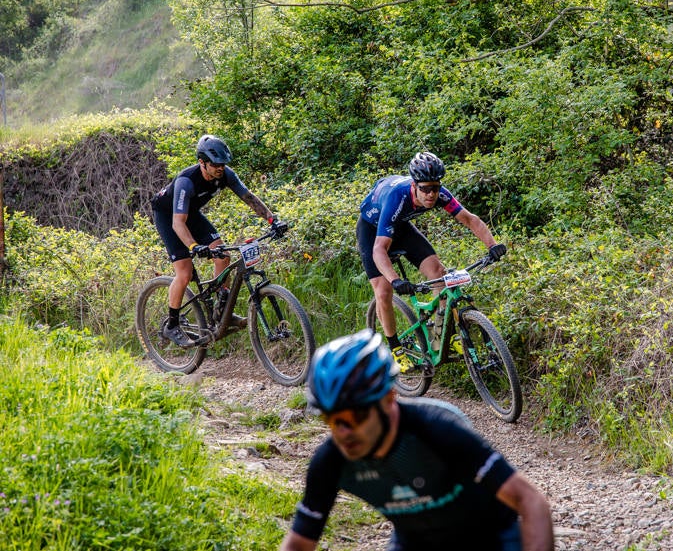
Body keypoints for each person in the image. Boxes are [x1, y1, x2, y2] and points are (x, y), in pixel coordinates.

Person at [279, 329, 554, 551]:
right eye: (331, 419)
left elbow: (530, 501)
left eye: (355, 416)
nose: (343, 432)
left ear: (388, 399)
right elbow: (300, 543)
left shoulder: (436, 431)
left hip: (492, 540)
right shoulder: (331, 461)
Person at [357, 151, 506, 369]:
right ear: (414, 186)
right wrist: (395, 279)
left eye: (435, 188)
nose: (431, 194)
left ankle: (440, 335)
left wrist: (493, 245)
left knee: (439, 274)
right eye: (425, 189)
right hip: (372, 231)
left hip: (401, 226)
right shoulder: (398, 197)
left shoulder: (440, 194)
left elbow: (470, 219)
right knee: (383, 290)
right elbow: (379, 249)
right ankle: (395, 348)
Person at [151, 134, 287, 347]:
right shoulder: (187, 181)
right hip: (169, 217)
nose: (220, 168)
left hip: (191, 213)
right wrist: (194, 247)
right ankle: (172, 325)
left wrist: (272, 219)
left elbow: (249, 198)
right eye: (214, 164)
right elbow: (179, 223)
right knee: (185, 272)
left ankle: (221, 311)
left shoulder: (226, 175)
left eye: (223, 164)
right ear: (202, 163)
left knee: (223, 255)